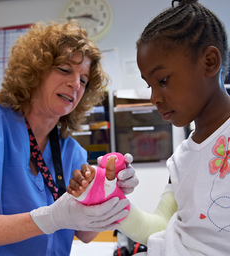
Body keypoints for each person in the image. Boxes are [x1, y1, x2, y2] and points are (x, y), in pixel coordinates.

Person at [67, 0, 230, 255]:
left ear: (209, 62)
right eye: (149, 85)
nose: (154, 97)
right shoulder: (182, 160)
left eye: (163, 80)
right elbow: (157, 228)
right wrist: (108, 197)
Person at [0, 20, 140, 256]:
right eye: (64, 69)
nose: (75, 84)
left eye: (83, 80)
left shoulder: (72, 151)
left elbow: (85, 234)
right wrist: (50, 218)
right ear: (35, 70)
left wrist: (110, 190)